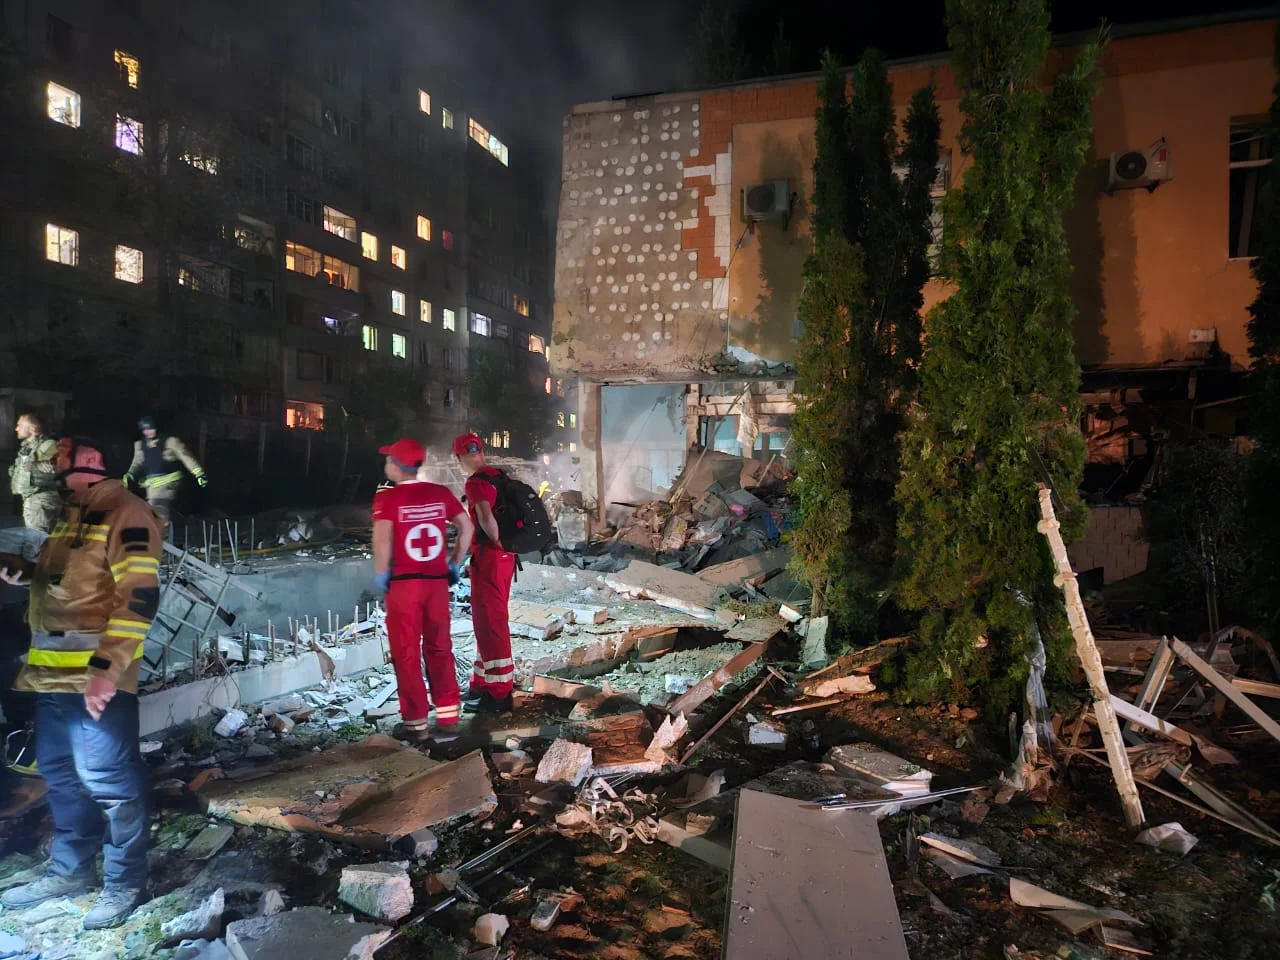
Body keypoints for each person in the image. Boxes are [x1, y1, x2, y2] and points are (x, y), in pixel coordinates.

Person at [0, 437, 162, 930]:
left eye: (60, 454)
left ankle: (125, 882)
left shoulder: (126, 512)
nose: (49, 461)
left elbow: (139, 596)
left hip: (94, 679)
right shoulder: (76, 512)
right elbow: (73, 580)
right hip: (52, 676)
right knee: (61, 777)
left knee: (110, 783)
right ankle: (72, 872)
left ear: (92, 460)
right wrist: (25, 573)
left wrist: (108, 671)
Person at [372, 438, 473, 743]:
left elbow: (382, 540)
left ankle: (416, 724)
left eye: (388, 459)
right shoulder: (439, 493)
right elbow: (466, 527)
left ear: (396, 466)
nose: (385, 463)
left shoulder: (387, 500)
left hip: (404, 586)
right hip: (436, 584)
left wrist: (381, 572)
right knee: (440, 648)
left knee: (406, 653)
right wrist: (455, 561)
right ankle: (449, 718)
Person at [453, 433, 516, 714]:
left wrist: (496, 542)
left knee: (491, 624)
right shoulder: (497, 476)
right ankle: (480, 682)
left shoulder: (477, 481)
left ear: (458, 458)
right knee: (486, 623)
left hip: (490, 559)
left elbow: (488, 521)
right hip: (506, 560)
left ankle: (500, 694)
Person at [123, 416, 206, 527]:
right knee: (152, 508)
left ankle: (162, 534)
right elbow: (137, 461)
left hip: (169, 481)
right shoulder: (140, 445)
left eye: (151, 429)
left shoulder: (170, 442)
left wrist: (198, 473)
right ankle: (163, 531)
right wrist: (130, 474)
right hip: (152, 483)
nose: (149, 432)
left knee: (158, 505)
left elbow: (186, 457)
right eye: (146, 430)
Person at [8, 413, 60, 533]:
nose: (16, 428)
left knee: (36, 541)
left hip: (41, 499)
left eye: (20, 425)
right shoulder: (28, 448)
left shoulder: (48, 445)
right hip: (31, 499)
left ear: (32, 429)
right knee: (35, 540)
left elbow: (53, 469)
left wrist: (32, 466)